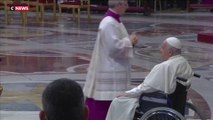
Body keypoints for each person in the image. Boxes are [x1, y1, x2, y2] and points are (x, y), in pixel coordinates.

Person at [105, 37, 193, 120]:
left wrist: (127, 93)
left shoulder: (165, 66)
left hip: (157, 103)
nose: (160, 50)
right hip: (174, 103)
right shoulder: (184, 63)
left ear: (170, 52)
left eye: (162, 48)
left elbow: (146, 87)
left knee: (118, 102)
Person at [83, 0, 138, 120]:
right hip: (109, 69)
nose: (127, 7)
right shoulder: (109, 23)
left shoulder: (115, 21)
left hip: (113, 66)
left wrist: (129, 41)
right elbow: (113, 48)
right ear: (118, 4)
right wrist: (130, 41)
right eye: (125, 4)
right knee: (104, 106)